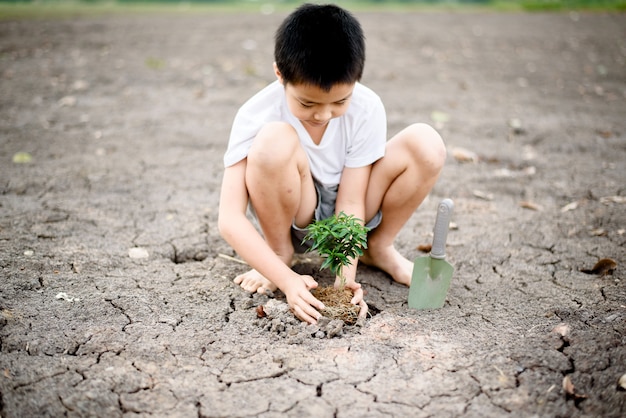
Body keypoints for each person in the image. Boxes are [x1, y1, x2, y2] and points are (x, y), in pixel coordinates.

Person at [218, 3, 446, 324]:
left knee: (426, 143)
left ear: (357, 78)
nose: (323, 115)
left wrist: (343, 281)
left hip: (353, 207)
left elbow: (351, 201)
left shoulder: (366, 107)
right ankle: (279, 253)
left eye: (340, 101)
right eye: (307, 102)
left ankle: (377, 248)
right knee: (273, 141)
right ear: (280, 74)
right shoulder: (256, 114)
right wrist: (287, 280)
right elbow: (229, 218)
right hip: (298, 208)